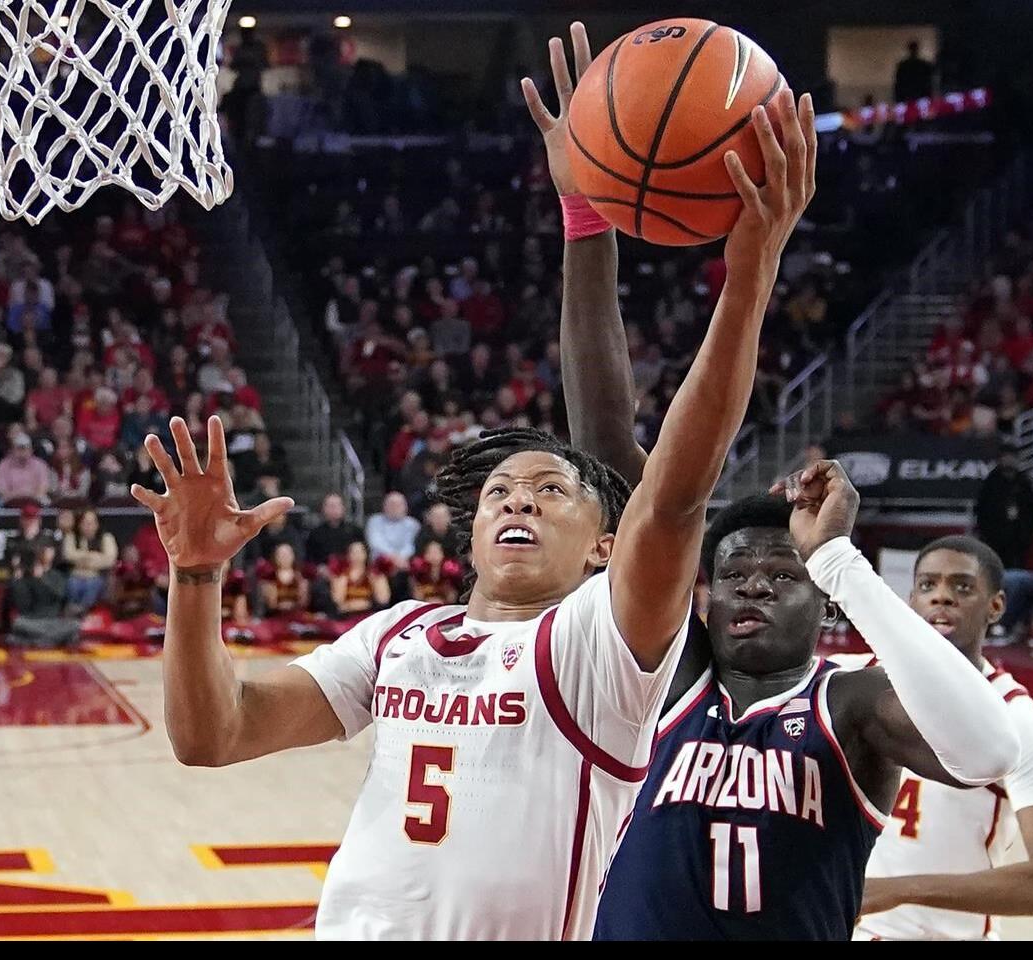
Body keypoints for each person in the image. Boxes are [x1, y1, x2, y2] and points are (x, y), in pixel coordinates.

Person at [130, 69, 820, 938]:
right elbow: (213, 735)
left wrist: (747, 278)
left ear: (605, 545)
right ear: (471, 528)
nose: (516, 500)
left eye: (548, 489)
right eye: (499, 491)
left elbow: (673, 494)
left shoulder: (599, 647)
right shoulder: (398, 635)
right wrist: (194, 581)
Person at [524, 24, 1018, 942]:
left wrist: (838, 560)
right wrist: (586, 216)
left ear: (819, 600)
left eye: (780, 574)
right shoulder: (668, 681)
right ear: (701, 600)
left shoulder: (851, 705)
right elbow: (604, 439)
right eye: (738, 572)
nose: (754, 583)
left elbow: (991, 748)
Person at [853, 536, 1033, 939]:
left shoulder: (1016, 718)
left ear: (996, 605)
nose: (941, 597)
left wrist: (900, 891)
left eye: (961, 586)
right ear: (910, 599)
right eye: (927, 585)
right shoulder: (851, 684)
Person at [974, 443, 1033, 569]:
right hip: (995, 537)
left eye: (1012, 457)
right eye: (1005, 457)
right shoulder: (991, 482)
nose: (1008, 460)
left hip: (1019, 538)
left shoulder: (1023, 481)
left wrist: (1028, 533)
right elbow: (982, 509)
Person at [61, 509, 119, 614]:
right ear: (79, 524)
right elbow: (68, 555)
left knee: (92, 584)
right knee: (73, 584)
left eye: (91, 523)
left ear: (97, 524)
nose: (88, 526)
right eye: (85, 523)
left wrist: (82, 560)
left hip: (98, 576)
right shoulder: (72, 537)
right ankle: (72, 612)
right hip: (75, 575)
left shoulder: (106, 538)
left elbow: (110, 559)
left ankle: (85, 613)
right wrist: (93, 556)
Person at [330, 540, 391, 616]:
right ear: (347, 555)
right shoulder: (341, 574)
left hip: (370, 615)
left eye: (360, 552)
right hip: (346, 616)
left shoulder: (375, 574)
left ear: (366, 554)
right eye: (353, 552)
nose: (357, 556)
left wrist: (375, 581)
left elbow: (383, 600)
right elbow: (337, 601)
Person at [258, 542, 310, 615]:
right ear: (276, 557)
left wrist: (292, 605)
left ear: (293, 556)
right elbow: (271, 604)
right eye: (281, 554)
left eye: (287, 554)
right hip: (275, 616)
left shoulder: (300, 578)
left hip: (296, 615)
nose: (285, 557)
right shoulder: (270, 577)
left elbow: (304, 602)